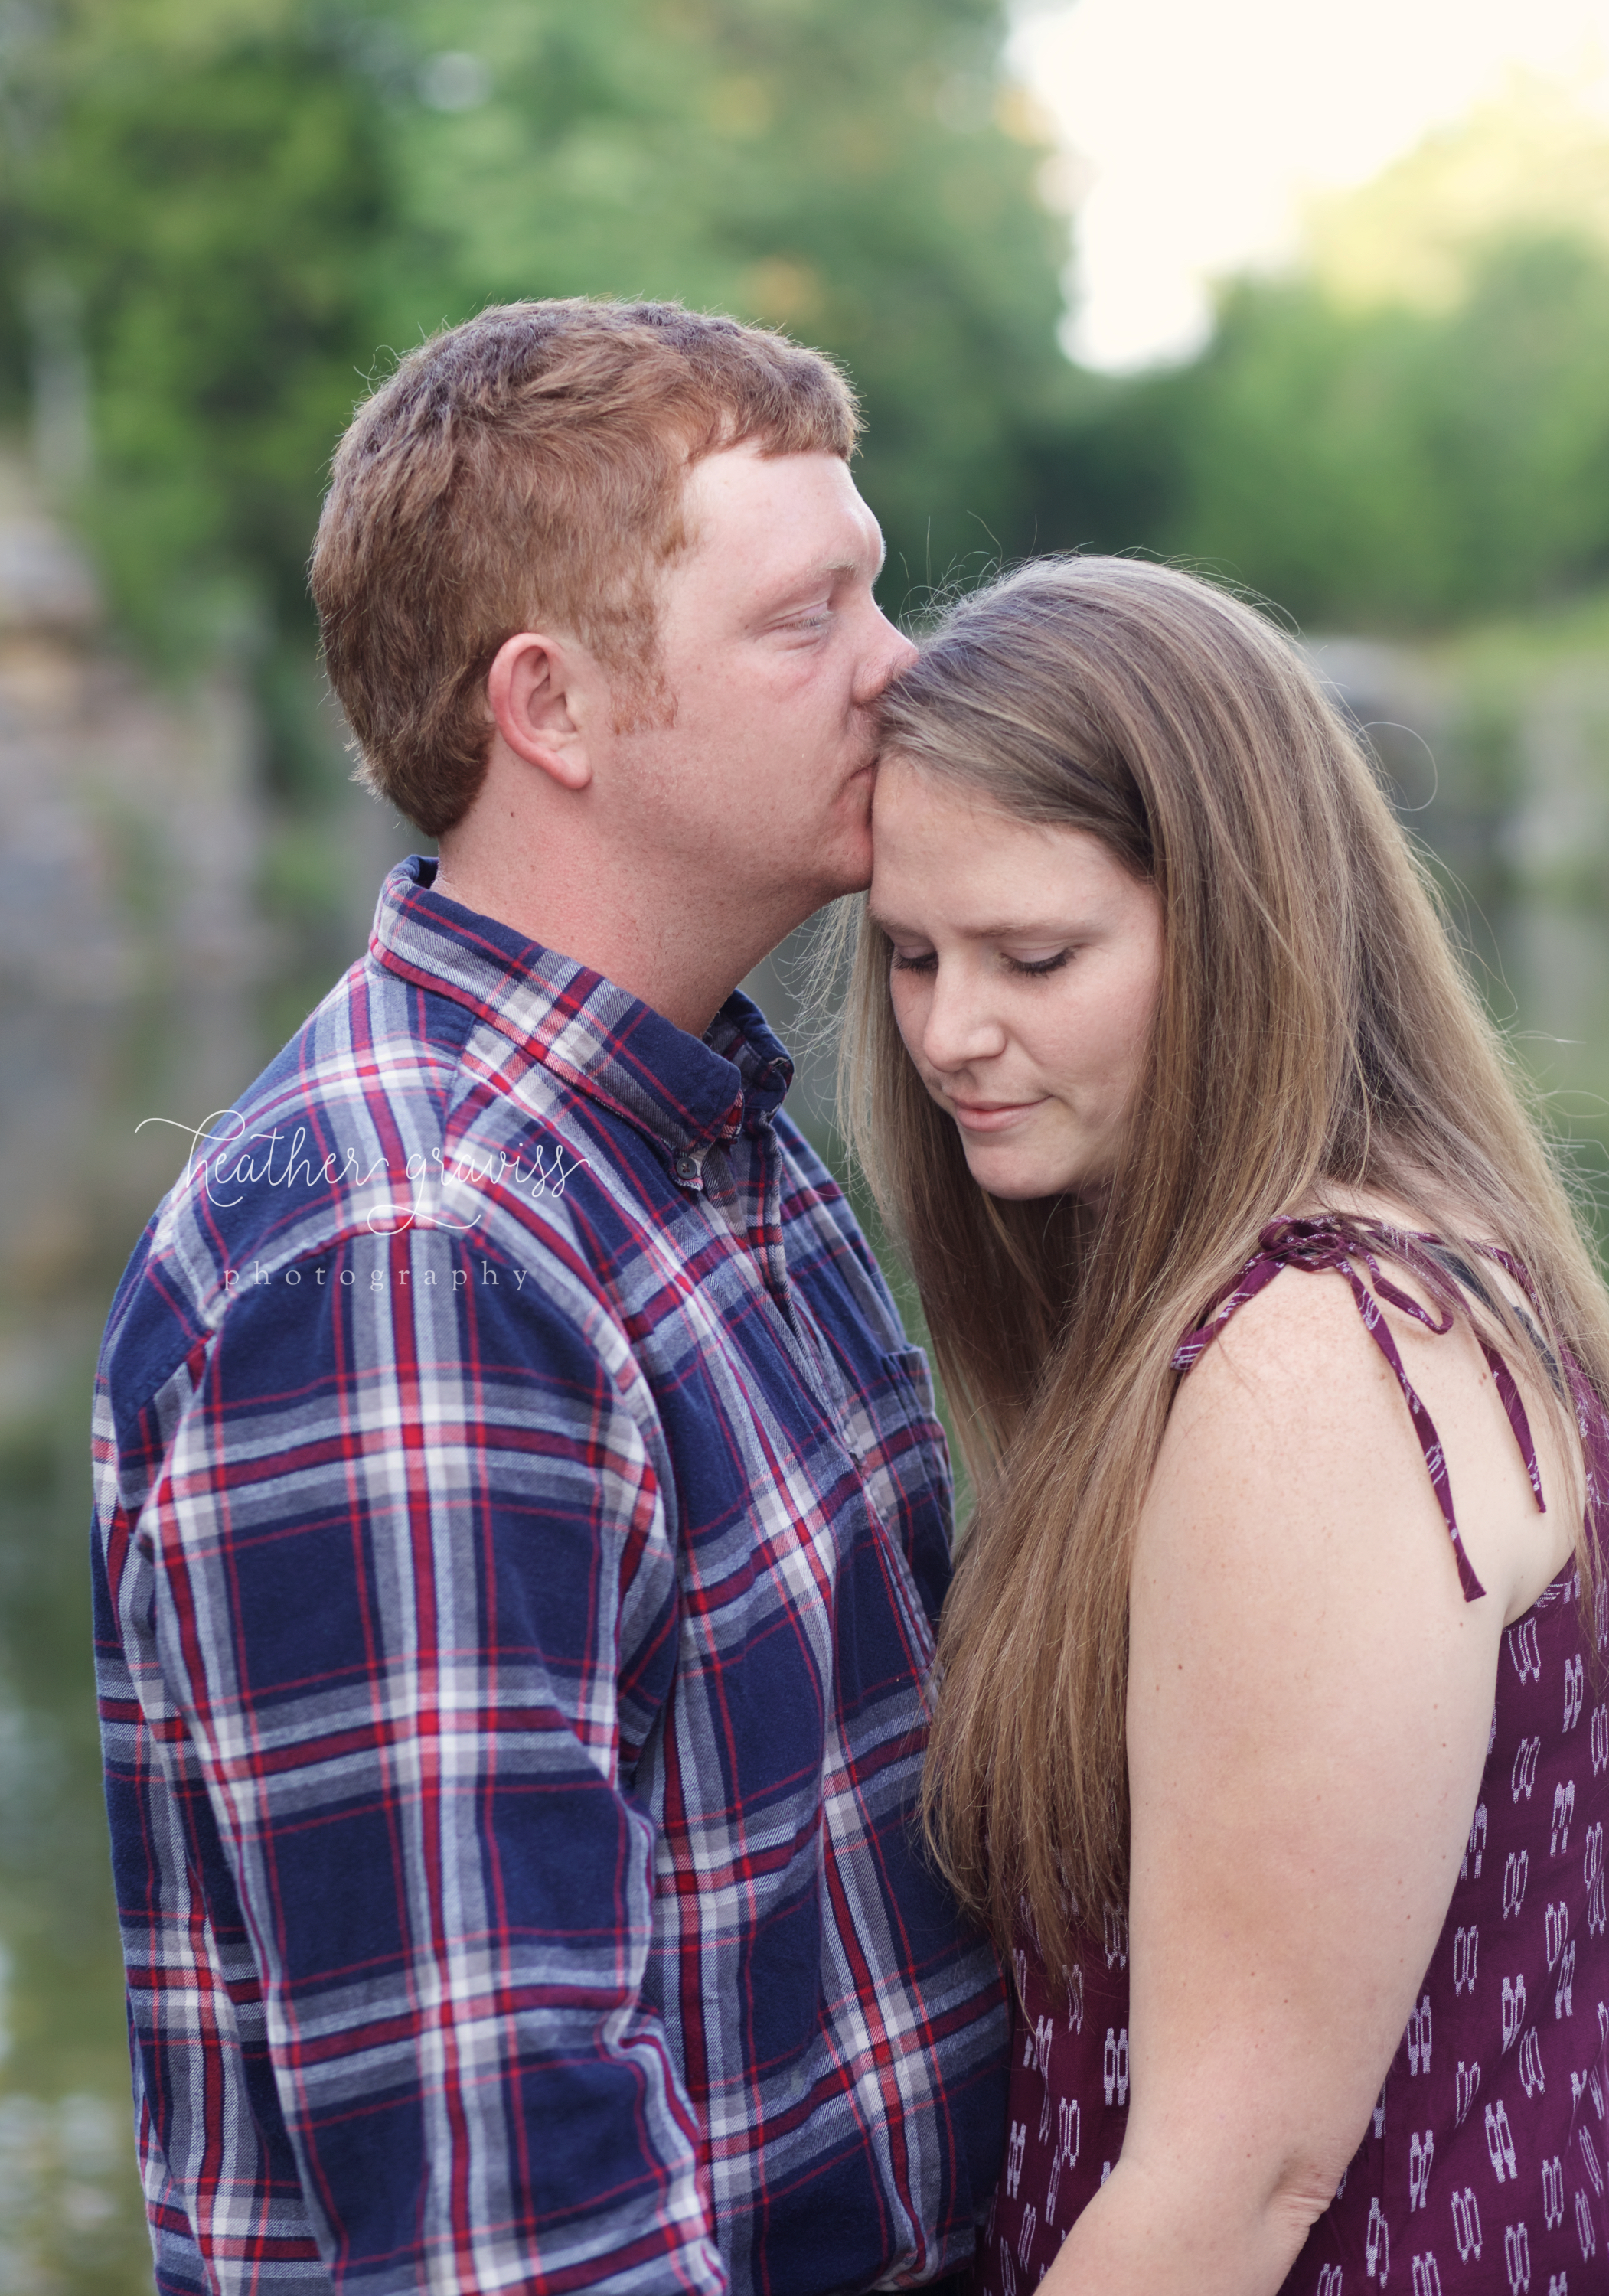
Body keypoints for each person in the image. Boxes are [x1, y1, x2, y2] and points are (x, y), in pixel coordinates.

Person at [91, 299, 1010, 2296]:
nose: (902, 668)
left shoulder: (701, 1137)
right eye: (808, 617)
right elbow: (514, 2218)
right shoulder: (406, 1263)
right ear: (555, 708)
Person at [844, 554, 1609, 2294]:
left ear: (1241, 923)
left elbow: (1236, 2178)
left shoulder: (1311, 1365)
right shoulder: (1412, 1259)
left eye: (1035, 955)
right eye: (910, 956)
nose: (951, 1035)